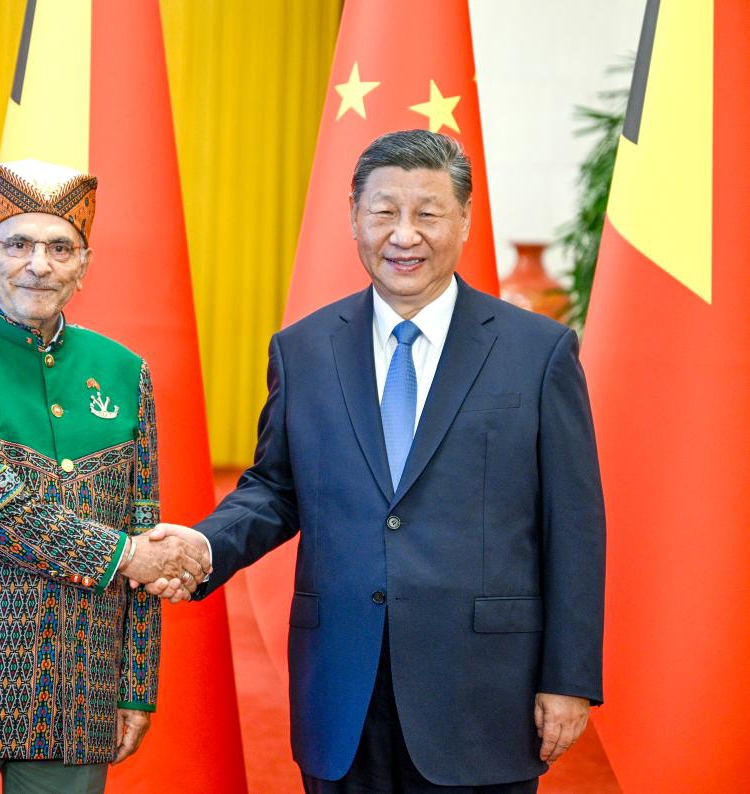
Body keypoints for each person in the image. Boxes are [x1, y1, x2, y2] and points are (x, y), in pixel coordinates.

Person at [144, 130, 606, 792]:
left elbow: (574, 527)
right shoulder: (302, 350)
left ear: (464, 221)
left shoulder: (537, 354)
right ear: (354, 218)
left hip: (481, 692)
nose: (403, 234)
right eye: (383, 211)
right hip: (342, 685)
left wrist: (567, 679)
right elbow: (276, 489)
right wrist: (202, 544)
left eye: (427, 212)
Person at [0, 159, 208, 793]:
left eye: (61, 247)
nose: (39, 263)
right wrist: (129, 556)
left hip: (80, 689)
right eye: (18, 244)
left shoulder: (122, 371)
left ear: (84, 264)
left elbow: (143, 520)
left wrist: (137, 684)